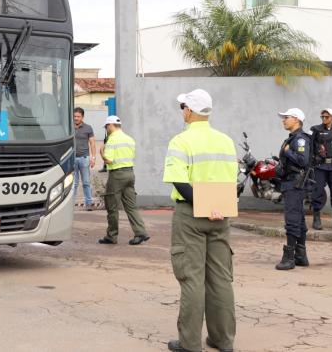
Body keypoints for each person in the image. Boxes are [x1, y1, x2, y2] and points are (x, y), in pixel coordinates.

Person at [162, 89, 237, 352]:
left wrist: (205, 205)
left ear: (190, 111)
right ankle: (222, 340)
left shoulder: (180, 141)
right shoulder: (226, 141)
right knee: (220, 279)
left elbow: (180, 182)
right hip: (221, 215)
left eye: (183, 106)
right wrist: (217, 206)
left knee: (192, 278)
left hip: (191, 215)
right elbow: (233, 182)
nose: (182, 110)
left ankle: (190, 344)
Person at [97, 115, 149, 245]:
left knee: (112, 206)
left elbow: (109, 160)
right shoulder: (129, 139)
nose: (106, 129)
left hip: (117, 175)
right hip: (130, 174)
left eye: (106, 127)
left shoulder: (112, 140)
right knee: (131, 206)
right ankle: (141, 232)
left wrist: (101, 152)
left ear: (110, 125)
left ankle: (111, 236)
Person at [275, 108, 311, 271]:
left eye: (286, 117)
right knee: (299, 220)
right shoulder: (293, 138)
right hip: (291, 183)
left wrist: (288, 153)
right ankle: (301, 256)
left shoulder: (300, 139)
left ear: (296, 119)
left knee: (292, 220)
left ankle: (289, 258)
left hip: (295, 184)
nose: (284, 120)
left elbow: (303, 161)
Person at [309, 108, 332, 231]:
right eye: (323, 117)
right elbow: (310, 146)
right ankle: (316, 219)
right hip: (320, 166)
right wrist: (315, 158)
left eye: (327, 117)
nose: (324, 119)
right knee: (318, 191)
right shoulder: (316, 130)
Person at [73, 107, 96, 210]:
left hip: (84, 158)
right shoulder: (68, 127)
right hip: (72, 159)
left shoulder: (88, 128)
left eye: (78, 116)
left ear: (82, 117)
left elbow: (92, 143)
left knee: (86, 182)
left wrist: (93, 157)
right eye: (74, 116)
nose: (76, 118)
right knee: (73, 183)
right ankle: (70, 205)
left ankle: (89, 203)